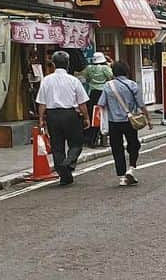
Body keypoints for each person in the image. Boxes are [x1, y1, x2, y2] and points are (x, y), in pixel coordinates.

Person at [36, 51, 90, 186]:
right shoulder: (73, 80)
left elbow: (42, 102)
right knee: (76, 143)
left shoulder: (46, 80)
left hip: (52, 115)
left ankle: (65, 176)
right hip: (70, 114)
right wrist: (86, 117)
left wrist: (41, 118)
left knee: (57, 146)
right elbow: (82, 102)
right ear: (68, 64)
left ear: (53, 64)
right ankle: (69, 161)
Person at [98, 59, 151, 187]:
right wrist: (148, 119)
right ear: (126, 71)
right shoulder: (132, 85)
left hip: (113, 122)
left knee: (117, 149)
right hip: (130, 121)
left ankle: (122, 176)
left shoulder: (107, 86)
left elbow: (101, 104)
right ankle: (131, 169)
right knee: (134, 145)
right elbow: (141, 104)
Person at [81, 52, 114, 145]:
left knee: (93, 114)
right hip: (103, 92)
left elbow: (86, 78)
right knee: (104, 114)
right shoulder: (105, 68)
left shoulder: (89, 68)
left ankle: (91, 138)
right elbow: (110, 77)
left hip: (92, 93)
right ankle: (104, 138)